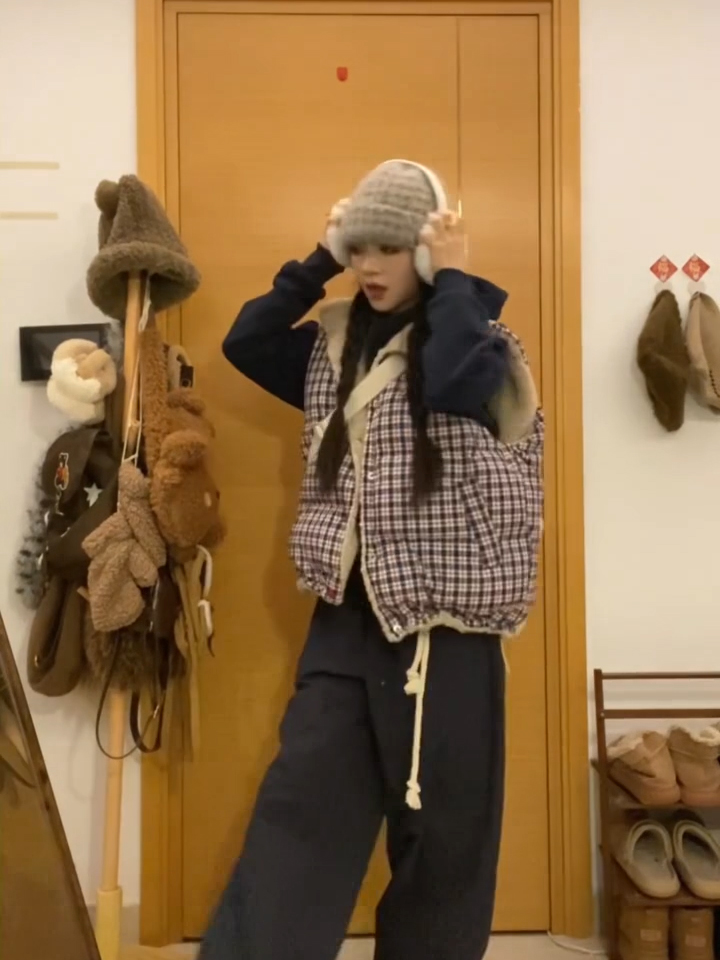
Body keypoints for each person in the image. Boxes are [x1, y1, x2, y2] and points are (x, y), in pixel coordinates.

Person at [200, 160, 544, 960]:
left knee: (443, 852)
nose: (369, 267)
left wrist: (453, 275)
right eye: (359, 249)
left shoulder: (485, 348)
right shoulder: (334, 349)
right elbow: (247, 341)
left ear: (425, 251)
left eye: (389, 248)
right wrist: (319, 258)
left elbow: (452, 381)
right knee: (297, 823)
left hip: (447, 638)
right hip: (345, 629)